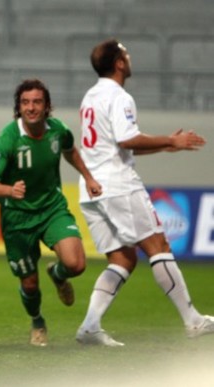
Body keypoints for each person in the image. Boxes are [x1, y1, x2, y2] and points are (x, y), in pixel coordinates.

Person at [75, 38, 212, 346]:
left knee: (123, 258)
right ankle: (193, 321)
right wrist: (170, 140)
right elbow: (127, 139)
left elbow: (114, 145)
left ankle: (89, 326)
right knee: (159, 244)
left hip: (91, 188)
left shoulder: (90, 97)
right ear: (120, 63)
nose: (130, 57)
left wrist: (166, 145)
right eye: (126, 53)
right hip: (117, 185)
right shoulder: (120, 96)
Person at [0, 78, 102, 347]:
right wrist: (10, 190)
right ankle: (37, 321)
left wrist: (89, 177)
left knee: (76, 264)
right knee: (30, 284)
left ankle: (57, 274)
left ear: (47, 106)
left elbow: (70, 151)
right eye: (25, 102)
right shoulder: (8, 139)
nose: (31, 108)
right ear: (18, 107)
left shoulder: (57, 130)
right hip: (17, 219)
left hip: (51, 209)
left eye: (37, 102)